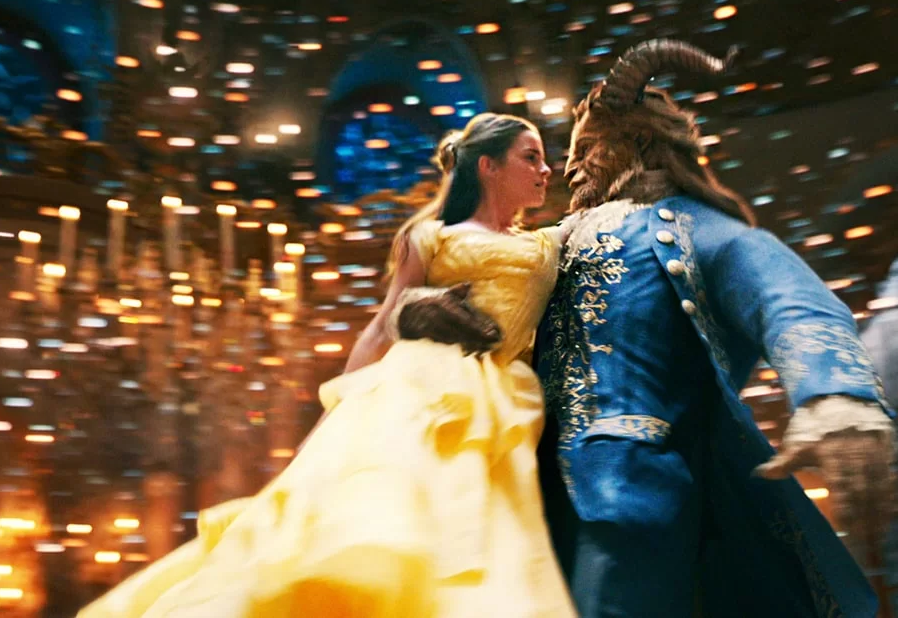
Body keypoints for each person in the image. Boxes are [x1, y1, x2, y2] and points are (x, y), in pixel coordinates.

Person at [398, 40, 898, 617]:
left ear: (636, 144)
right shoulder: (547, 246)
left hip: (636, 486)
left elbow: (789, 298)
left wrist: (838, 396)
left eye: (587, 149)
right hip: (524, 490)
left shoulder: (692, 230)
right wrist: (420, 308)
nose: (569, 168)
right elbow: (490, 296)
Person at [76, 113, 577, 618]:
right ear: (489, 166)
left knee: (474, 530)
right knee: (382, 514)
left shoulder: (549, 241)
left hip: (504, 402)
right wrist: (336, 413)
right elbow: (380, 328)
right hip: (420, 387)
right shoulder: (431, 237)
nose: (546, 170)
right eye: (530, 157)